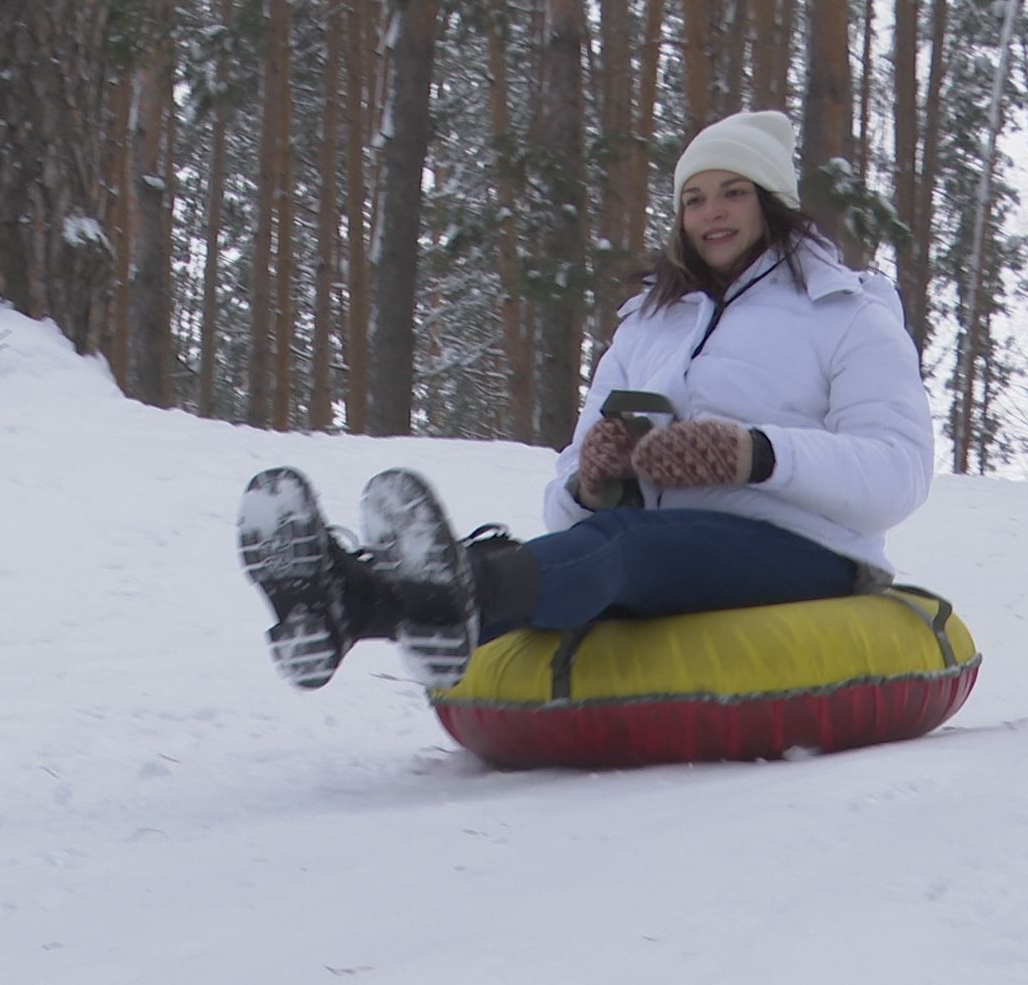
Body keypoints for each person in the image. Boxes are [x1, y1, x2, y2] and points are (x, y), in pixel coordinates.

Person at [238, 110, 935, 691]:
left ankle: (433, 594)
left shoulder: (846, 314)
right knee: (595, 541)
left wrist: (755, 453)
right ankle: (345, 601)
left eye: (733, 192)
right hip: (657, 545)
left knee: (621, 548)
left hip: (802, 550)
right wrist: (592, 478)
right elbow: (567, 499)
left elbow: (898, 474)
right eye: (694, 198)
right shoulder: (650, 322)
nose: (711, 214)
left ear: (772, 202)